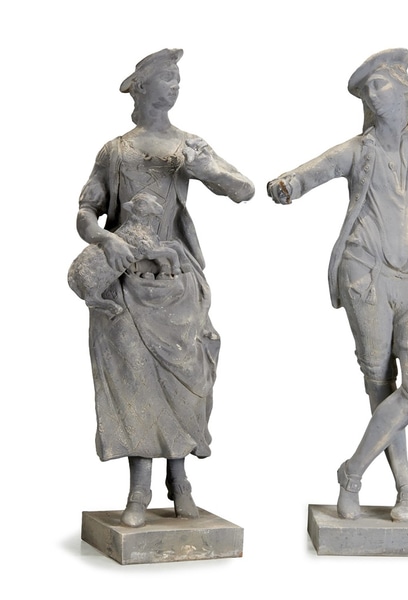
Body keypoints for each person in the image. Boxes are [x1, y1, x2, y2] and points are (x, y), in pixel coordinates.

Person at [267, 48, 408, 521]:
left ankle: (352, 471)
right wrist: (288, 185)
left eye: (379, 85)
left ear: (404, 90)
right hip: (367, 275)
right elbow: (318, 168)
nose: (372, 95)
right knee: (379, 381)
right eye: (367, 91)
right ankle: (405, 488)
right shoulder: (359, 150)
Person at [74, 49, 254, 527]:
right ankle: (139, 491)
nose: (175, 84)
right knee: (136, 384)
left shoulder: (189, 146)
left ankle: (181, 481)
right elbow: (86, 211)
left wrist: (205, 169)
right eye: (167, 77)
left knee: (187, 381)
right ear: (142, 86)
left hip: (177, 284)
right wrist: (105, 238)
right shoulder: (116, 151)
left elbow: (243, 189)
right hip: (127, 284)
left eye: (178, 78)